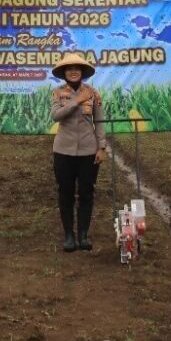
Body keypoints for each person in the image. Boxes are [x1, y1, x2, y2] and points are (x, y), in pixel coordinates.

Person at [51, 53, 107, 252]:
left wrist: (101, 147)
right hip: (63, 151)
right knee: (65, 193)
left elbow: (99, 122)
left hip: (87, 151)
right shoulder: (58, 93)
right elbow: (55, 116)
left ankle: (83, 234)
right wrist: (75, 101)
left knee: (86, 193)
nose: (73, 71)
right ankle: (69, 236)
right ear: (64, 73)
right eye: (69, 68)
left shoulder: (93, 93)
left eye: (77, 68)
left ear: (82, 72)